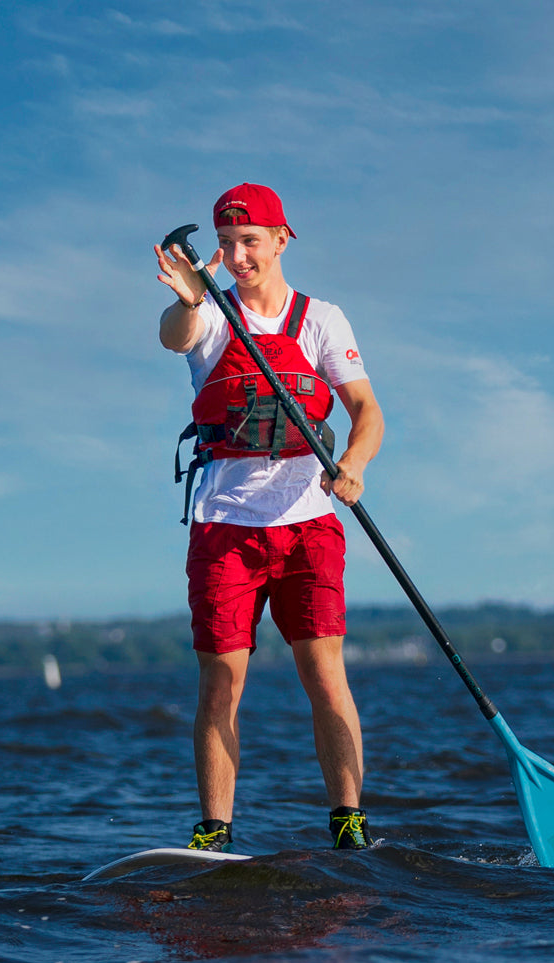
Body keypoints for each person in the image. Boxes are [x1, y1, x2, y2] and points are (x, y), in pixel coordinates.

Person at [153, 183, 384, 852]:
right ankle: (214, 831)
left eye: (249, 240)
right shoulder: (211, 314)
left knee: (325, 673)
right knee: (221, 682)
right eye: (225, 244)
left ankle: (347, 821)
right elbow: (175, 337)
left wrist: (356, 465)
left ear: (282, 239)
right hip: (225, 526)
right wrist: (191, 294)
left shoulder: (323, 319)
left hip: (309, 521)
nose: (236, 254)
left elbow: (366, 414)